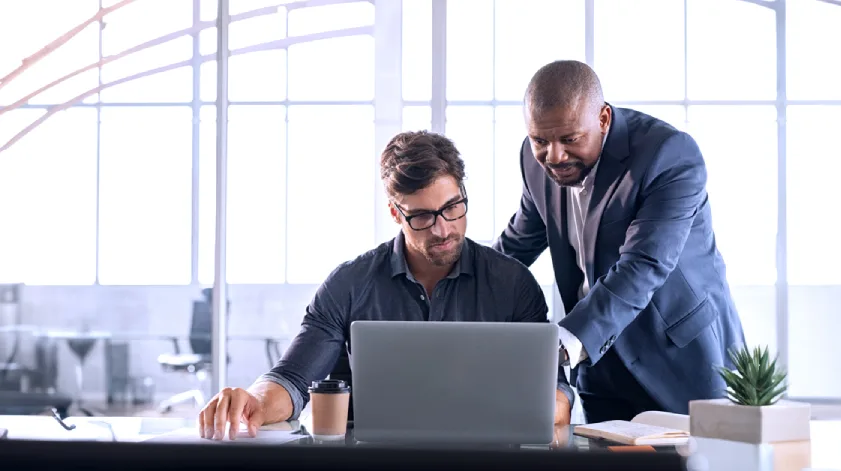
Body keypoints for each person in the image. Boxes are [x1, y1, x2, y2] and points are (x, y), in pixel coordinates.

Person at [199, 130, 574, 440]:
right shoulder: (349, 283)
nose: (444, 229)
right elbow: (294, 378)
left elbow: (557, 393)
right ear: (396, 212)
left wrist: (552, 402)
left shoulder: (513, 283)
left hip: (484, 459)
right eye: (423, 217)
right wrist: (255, 402)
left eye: (453, 207)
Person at [494, 60, 746, 423]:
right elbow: (517, 246)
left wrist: (563, 344)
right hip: (600, 365)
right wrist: (457, 290)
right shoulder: (534, 161)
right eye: (540, 141)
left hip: (681, 359)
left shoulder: (669, 154)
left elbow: (644, 264)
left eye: (570, 139)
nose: (554, 156)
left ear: (603, 119)